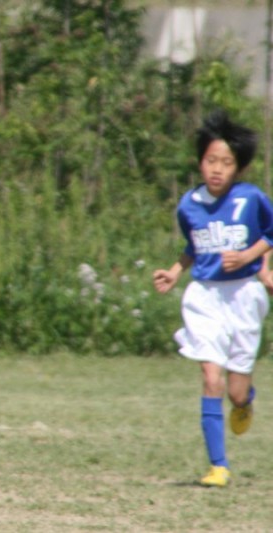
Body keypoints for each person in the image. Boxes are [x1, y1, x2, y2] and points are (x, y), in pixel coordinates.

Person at [153, 110, 273, 487]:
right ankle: (218, 466)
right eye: (211, 160)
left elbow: (270, 233)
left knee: (235, 393)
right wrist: (175, 270)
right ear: (200, 161)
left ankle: (245, 399)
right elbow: (195, 245)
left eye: (226, 162)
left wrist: (252, 259)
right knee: (211, 378)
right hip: (204, 296)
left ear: (239, 167)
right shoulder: (188, 204)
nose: (217, 169)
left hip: (244, 295)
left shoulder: (251, 198)